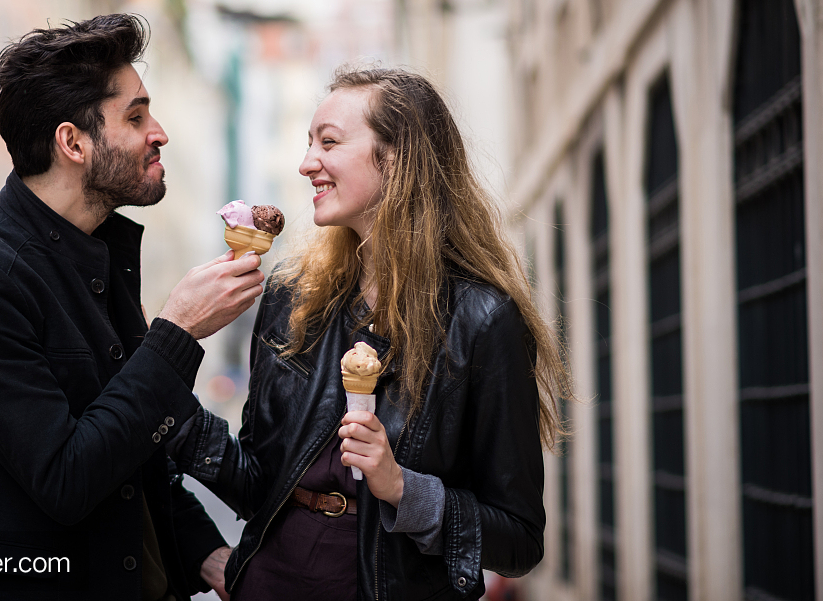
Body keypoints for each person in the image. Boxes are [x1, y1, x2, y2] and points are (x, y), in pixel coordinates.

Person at [169, 66, 570, 600]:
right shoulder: (292, 298)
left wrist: (401, 487)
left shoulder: (483, 320)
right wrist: (167, 368)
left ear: (398, 157)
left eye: (328, 142)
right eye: (308, 142)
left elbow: (519, 542)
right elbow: (257, 482)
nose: (306, 162)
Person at [0, 14, 263, 600]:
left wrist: (211, 557)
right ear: (72, 142)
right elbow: (67, 476)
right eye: (135, 116)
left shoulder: (101, 255)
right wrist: (176, 333)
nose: (159, 133)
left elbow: (132, 459)